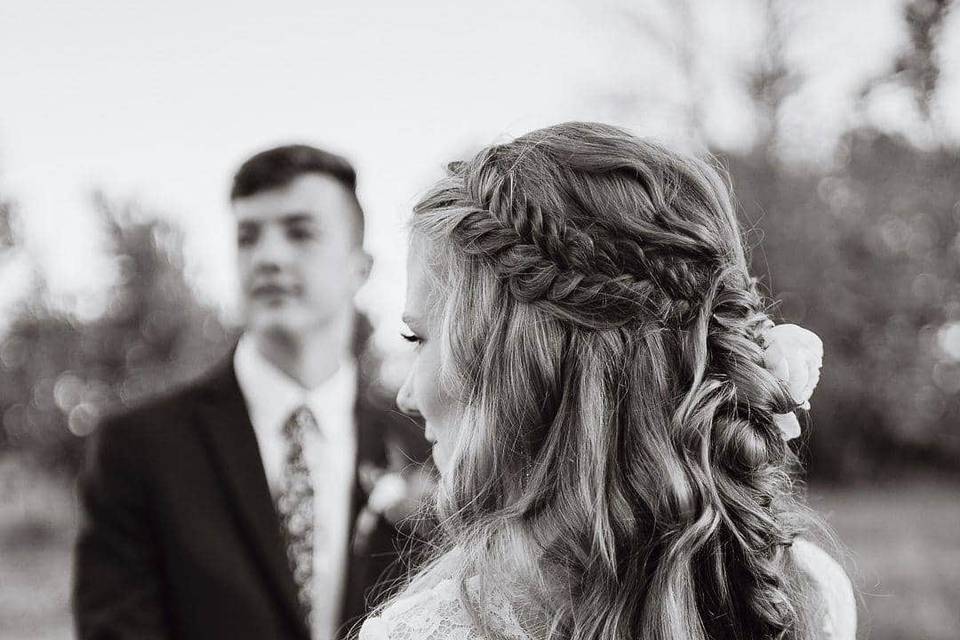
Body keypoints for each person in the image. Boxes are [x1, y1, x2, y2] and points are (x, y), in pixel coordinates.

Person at [360, 122, 856, 640]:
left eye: (417, 338)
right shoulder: (806, 592)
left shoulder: (431, 630)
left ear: (520, 368)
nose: (407, 395)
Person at [73, 144, 427, 640]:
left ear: (359, 268)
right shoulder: (137, 448)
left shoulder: (424, 447)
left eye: (300, 232)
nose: (268, 256)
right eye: (248, 236)